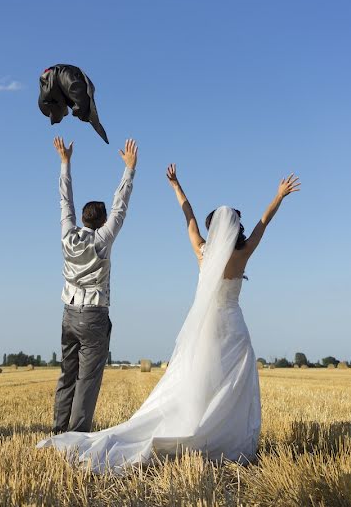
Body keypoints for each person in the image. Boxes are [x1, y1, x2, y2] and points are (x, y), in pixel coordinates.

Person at [38, 163, 300, 474]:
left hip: (204, 328)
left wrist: (176, 185)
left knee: (196, 380)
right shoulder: (243, 256)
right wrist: (279, 195)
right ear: (235, 230)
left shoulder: (202, 251)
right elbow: (263, 224)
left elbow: (188, 217)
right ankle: (223, 436)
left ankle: (193, 426)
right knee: (232, 386)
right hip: (234, 327)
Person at [47, 136, 138, 434]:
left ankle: (59, 430)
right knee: (87, 381)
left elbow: (64, 201)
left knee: (66, 375)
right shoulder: (103, 241)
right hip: (94, 316)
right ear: (101, 222)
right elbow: (120, 208)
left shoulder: (67, 236)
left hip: (68, 314)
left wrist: (65, 162)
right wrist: (129, 170)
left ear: (83, 219)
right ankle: (76, 437)